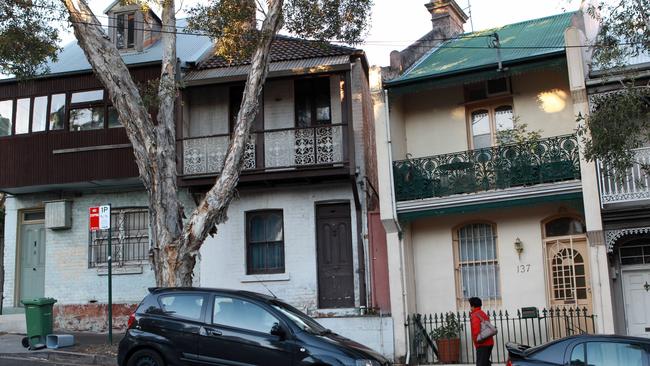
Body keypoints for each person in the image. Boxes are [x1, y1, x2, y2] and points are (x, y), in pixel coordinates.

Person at [469, 297, 494, 366]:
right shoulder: (483, 313)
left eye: (470, 306)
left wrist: (477, 344)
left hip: (482, 344)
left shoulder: (475, 315)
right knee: (485, 363)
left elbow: (476, 332)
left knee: (481, 364)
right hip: (489, 342)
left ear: (472, 306)